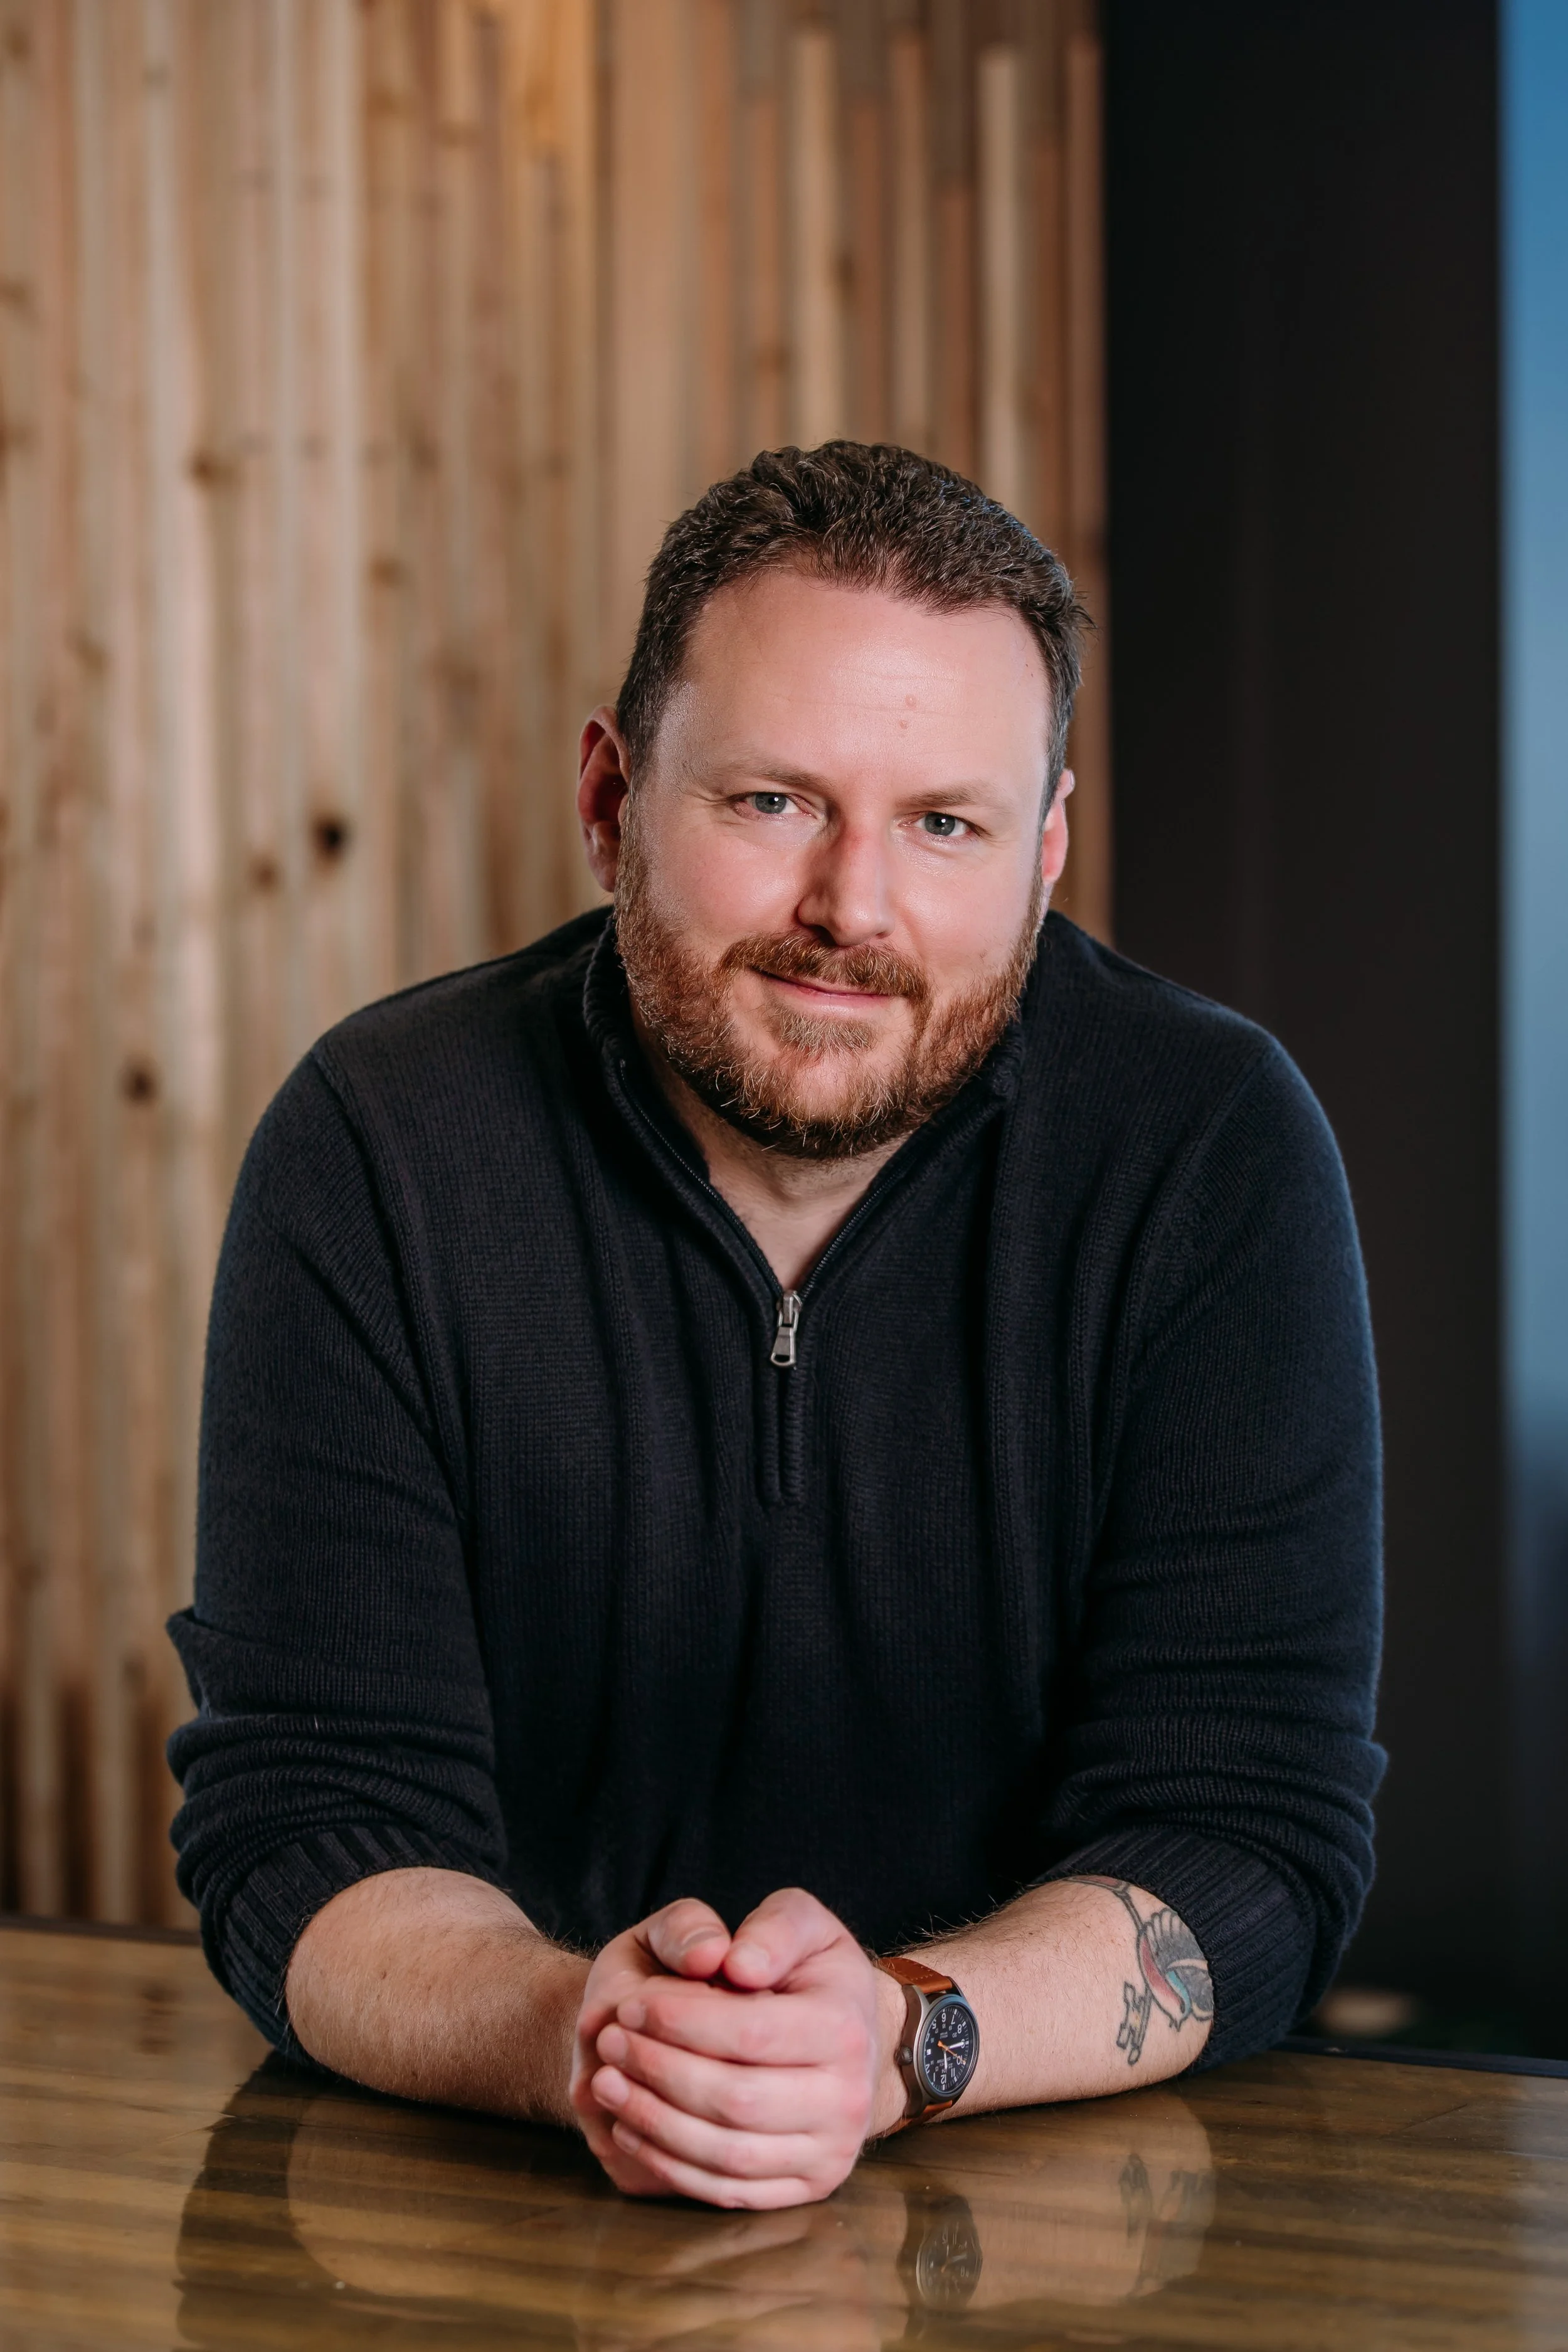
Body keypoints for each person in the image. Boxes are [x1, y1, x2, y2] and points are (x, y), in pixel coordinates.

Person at [167, 442, 1383, 2213]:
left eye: (945, 824)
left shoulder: (1210, 1149)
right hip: (493, 2208)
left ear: (1046, 852)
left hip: (1050, 2222)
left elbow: (1247, 1827)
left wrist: (893, 2040)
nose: (851, 910)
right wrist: (594, 2039)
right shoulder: (382, 1144)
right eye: (771, 801)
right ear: (611, 796)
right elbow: (307, 1817)